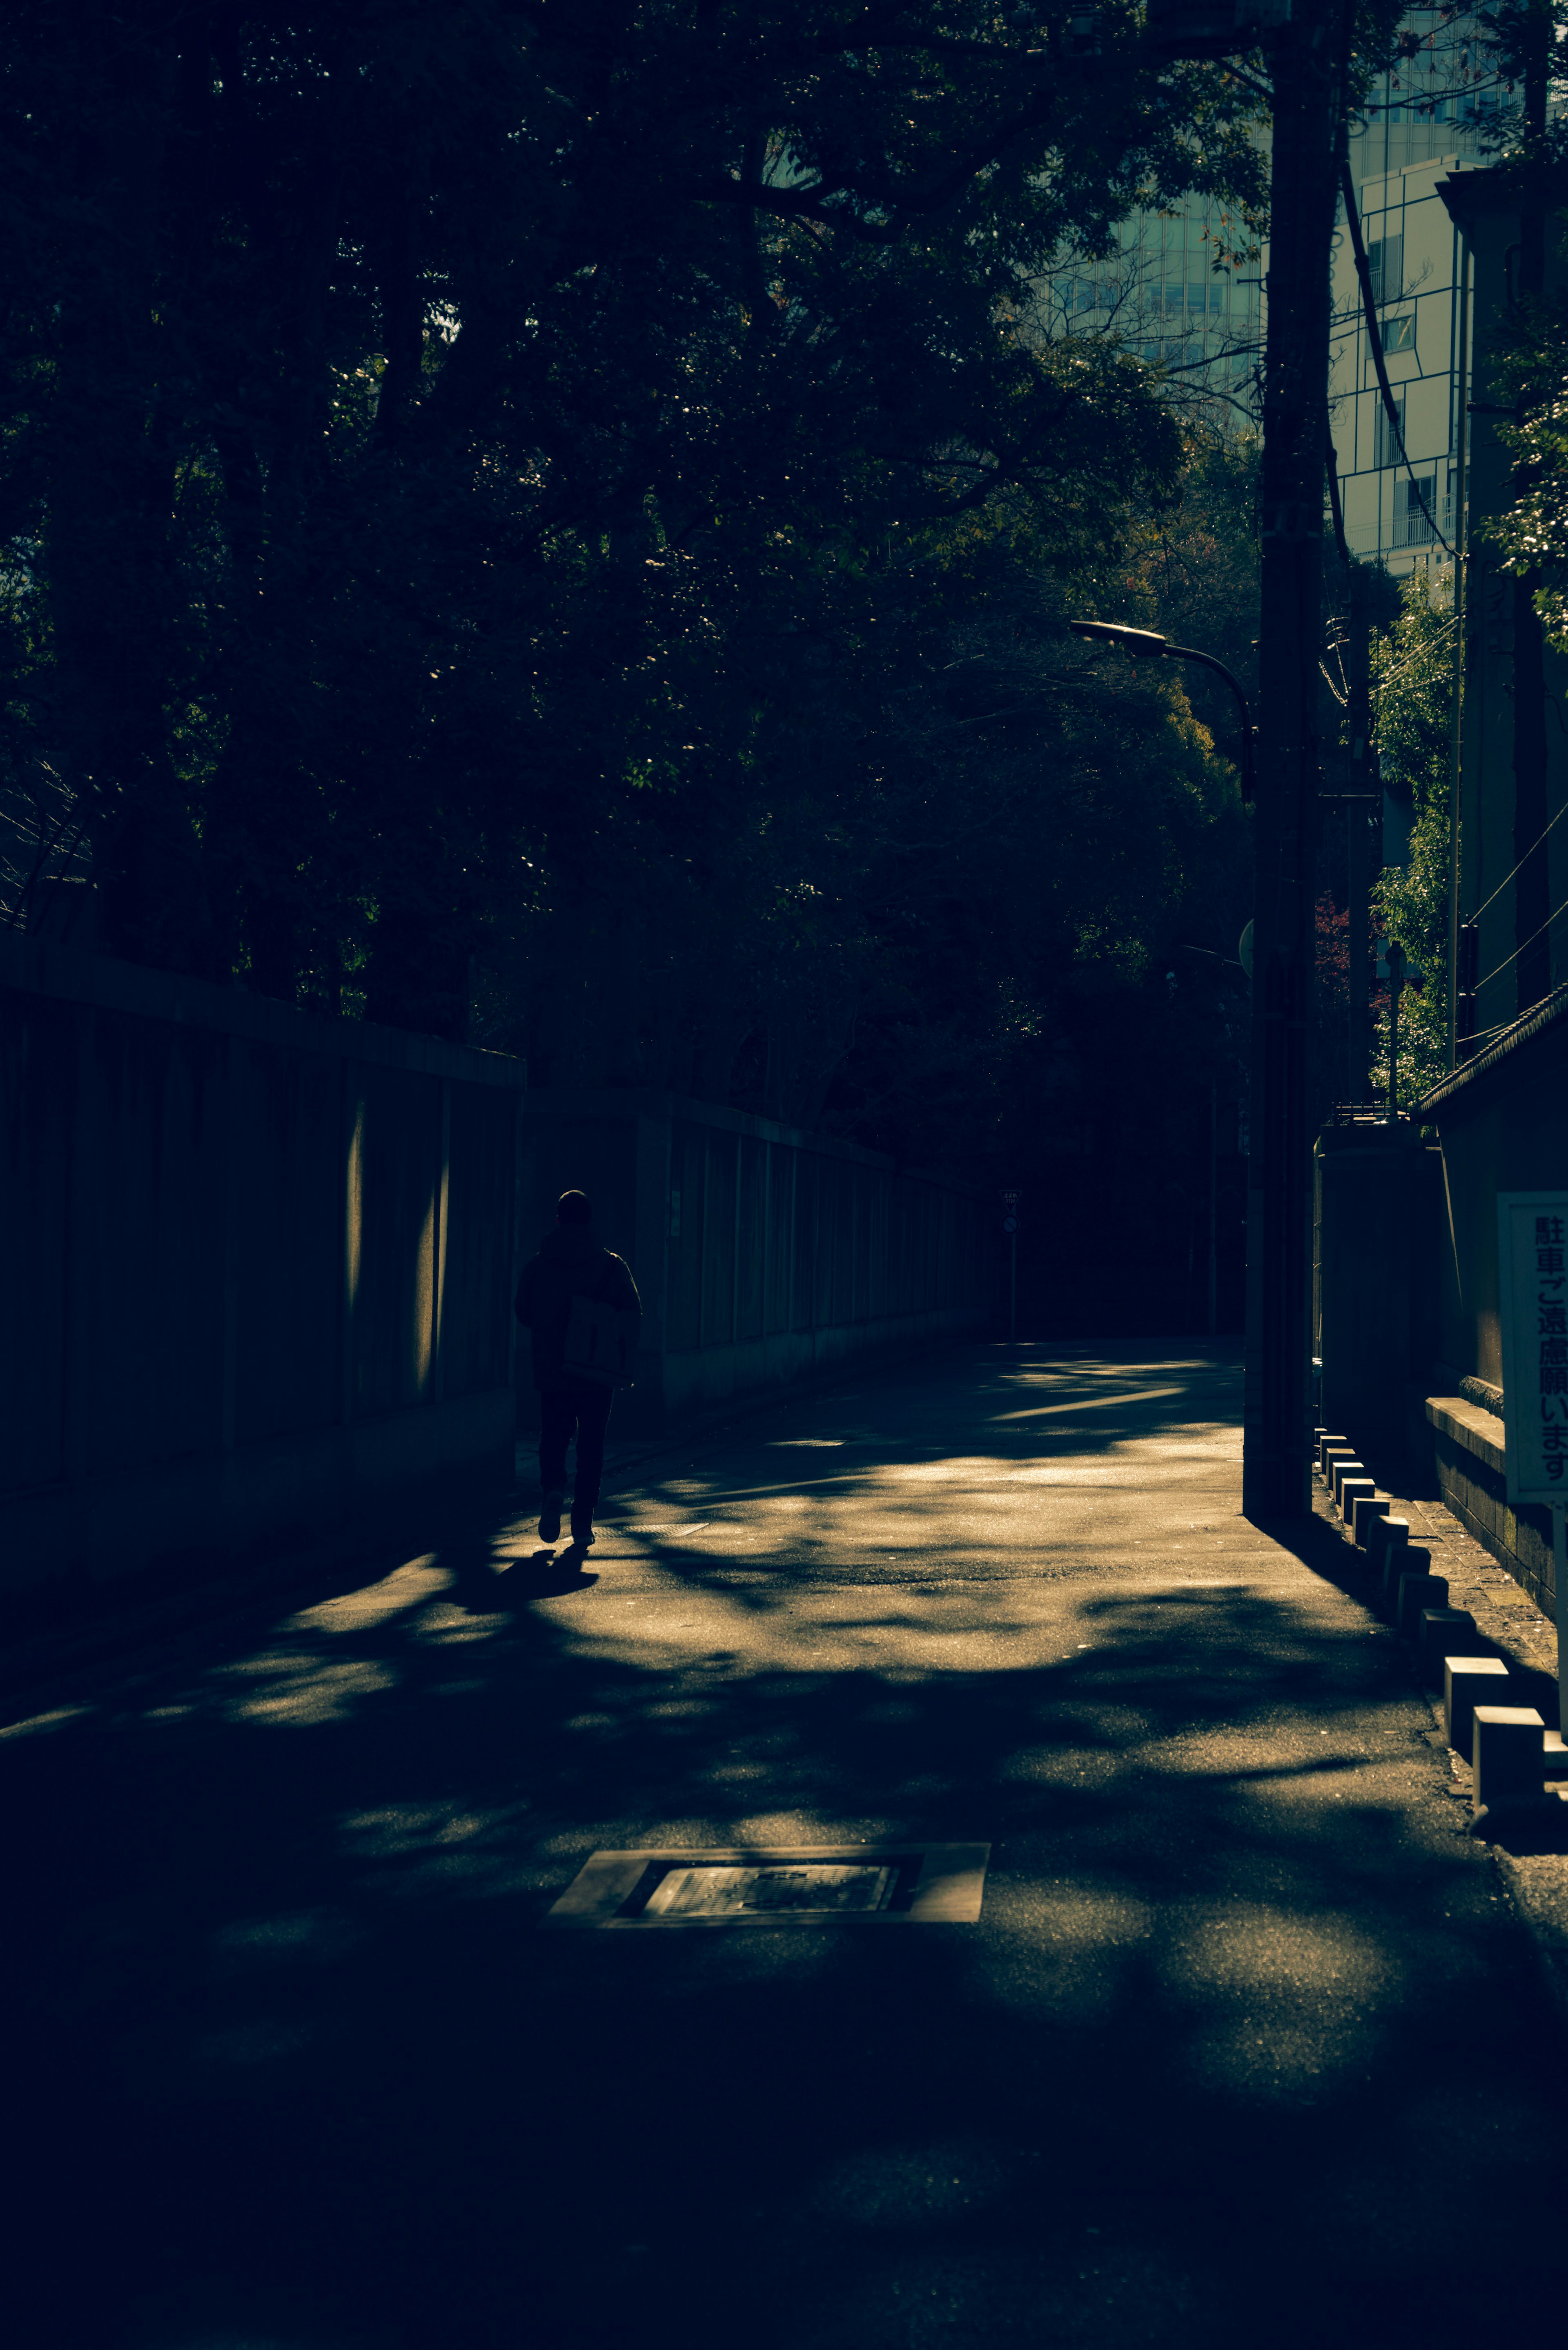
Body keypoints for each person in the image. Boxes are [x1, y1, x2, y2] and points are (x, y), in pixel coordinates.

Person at [514, 1189, 641, 1549]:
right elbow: (632, 1314)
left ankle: (553, 1489)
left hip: (553, 1369)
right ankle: (582, 1519)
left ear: (558, 1220)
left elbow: (523, 1311)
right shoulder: (612, 1265)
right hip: (596, 1370)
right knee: (592, 1444)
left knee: (554, 1436)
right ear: (589, 1222)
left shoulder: (538, 1265)